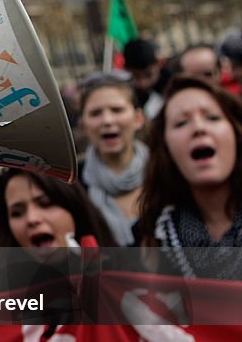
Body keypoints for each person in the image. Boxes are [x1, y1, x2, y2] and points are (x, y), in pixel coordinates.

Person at [137, 76, 242, 280]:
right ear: (165, 150)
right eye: (181, 123)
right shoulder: (154, 241)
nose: (198, 128)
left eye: (212, 117)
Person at [77, 70, 147, 245]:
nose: (107, 120)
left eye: (117, 110)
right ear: (84, 125)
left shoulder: (167, 173)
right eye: (95, 113)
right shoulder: (75, 187)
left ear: (138, 119)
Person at [123, 37, 167, 120]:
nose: (143, 83)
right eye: (136, 76)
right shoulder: (127, 94)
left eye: (148, 75)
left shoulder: (174, 85)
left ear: (160, 64)